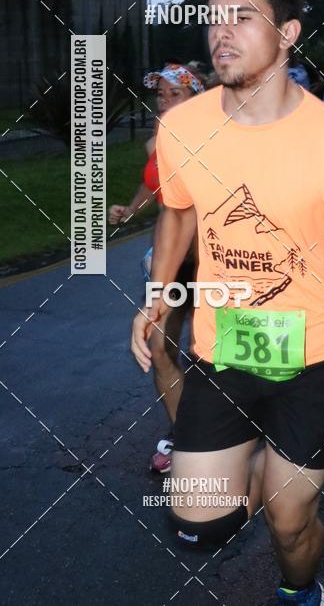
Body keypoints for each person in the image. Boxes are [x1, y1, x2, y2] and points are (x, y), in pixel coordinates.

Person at [131, 0, 324, 606]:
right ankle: (263, 460)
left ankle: (301, 591)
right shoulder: (183, 127)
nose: (221, 32)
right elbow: (178, 212)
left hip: (314, 358)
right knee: (198, 525)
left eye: (242, 17)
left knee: (289, 524)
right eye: (214, 18)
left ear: (287, 33)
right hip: (224, 351)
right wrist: (159, 294)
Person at [109, 62, 203, 472]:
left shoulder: (218, 142)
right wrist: (130, 210)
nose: (163, 101)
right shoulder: (157, 141)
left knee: (212, 355)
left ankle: (227, 438)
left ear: (195, 99)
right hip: (170, 265)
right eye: (160, 94)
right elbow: (153, 184)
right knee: (160, 348)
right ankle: (186, 438)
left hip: (212, 266)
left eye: (174, 94)